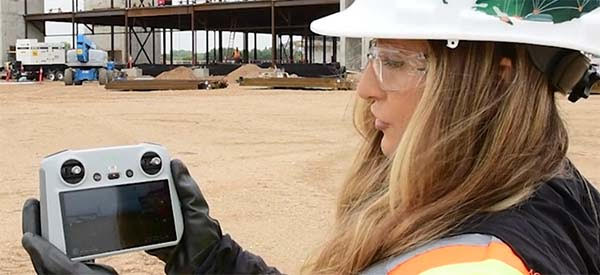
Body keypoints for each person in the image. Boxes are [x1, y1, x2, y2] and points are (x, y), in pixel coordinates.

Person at [21, 0, 600, 274]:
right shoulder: (545, 187)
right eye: (374, 57)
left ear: (496, 80)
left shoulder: (475, 267)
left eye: (396, 61)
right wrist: (209, 261)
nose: (366, 87)